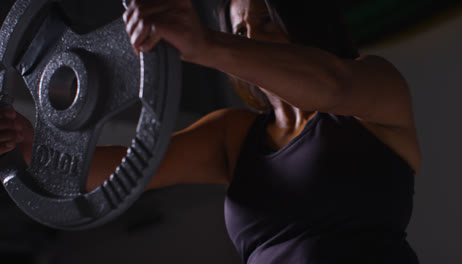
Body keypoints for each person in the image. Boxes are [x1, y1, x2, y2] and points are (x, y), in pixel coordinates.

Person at [0, 0, 421, 262]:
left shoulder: (375, 87)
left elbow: (332, 85)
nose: (251, 35)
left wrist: (209, 46)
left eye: (266, 20)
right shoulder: (235, 136)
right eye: (239, 29)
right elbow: (114, 171)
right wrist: (26, 142)